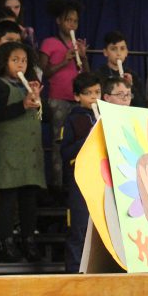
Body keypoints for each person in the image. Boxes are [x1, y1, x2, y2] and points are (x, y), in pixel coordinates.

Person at [0, 41, 45, 263]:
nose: (20, 64)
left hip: (30, 151)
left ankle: (29, 240)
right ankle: (6, 241)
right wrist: (22, 105)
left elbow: (43, 116)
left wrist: (38, 101)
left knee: (30, 196)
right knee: (8, 196)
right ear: (4, 62)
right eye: (15, 60)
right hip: (8, 148)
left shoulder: (31, 85)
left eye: (24, 60)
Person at [39, 0, 87, 189]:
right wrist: (64, 61)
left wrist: (82, 57)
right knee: (59, 142)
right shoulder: (50, 42)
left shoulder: (78, 45)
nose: (72, 25)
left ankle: (77, 184)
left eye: (75, 21)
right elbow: (43, 72)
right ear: (59, 21)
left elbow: (86, 74)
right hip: (58, 99)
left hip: (78, 99)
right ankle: (58, 186)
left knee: (80, 142)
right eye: (68, 20)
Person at [60, 72, 101, 272]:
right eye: (88, 93)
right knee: (79, 228)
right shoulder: (72, 120)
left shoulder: (105, 116)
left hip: (102, 180)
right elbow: (65, 152)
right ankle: (75, 271)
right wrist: (87, 138)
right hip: (80, 182)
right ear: (77, 96)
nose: (94, 97)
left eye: (97, 92)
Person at [94, 31, 143, 106]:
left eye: (122, 49)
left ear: (127, 52)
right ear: (105, 52)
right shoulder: (98, 75)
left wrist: (130, 86)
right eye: (113, 49)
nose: (118, 53)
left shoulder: (133, 75)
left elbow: (141, 105)